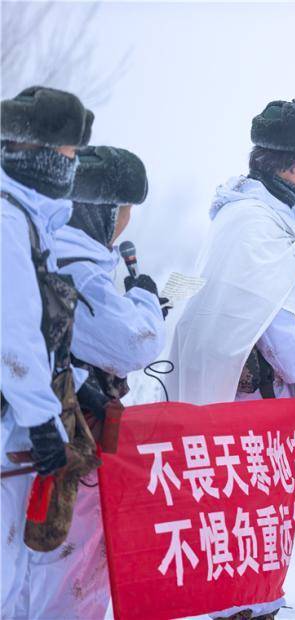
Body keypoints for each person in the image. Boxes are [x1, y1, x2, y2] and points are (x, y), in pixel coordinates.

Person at [167, 98, 295, 620]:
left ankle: (254, 600)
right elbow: (271, 317)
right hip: (251, 397)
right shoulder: (254, 221)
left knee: (257, 508)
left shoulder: (257, 213)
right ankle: (245, 605)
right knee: (249, 506)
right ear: (292, 158)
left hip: (253, 392)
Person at [13, 145, 166, 619]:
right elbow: (133, 344)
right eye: (124, 211)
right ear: (103, 210)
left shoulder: (46, 248)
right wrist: (144, 302)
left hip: (39, 434)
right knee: (70, 562)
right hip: (69, 435)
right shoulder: (79, 266)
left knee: (29, 568)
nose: (126, 223)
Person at [1, 86, 95, 617]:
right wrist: (41, 421)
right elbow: (12, 331)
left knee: (15, 572)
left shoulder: (31, 217)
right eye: (68, 155)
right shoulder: (7, 221)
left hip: (19, 420)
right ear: (36, 152)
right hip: (10, 424)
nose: (73, 166)